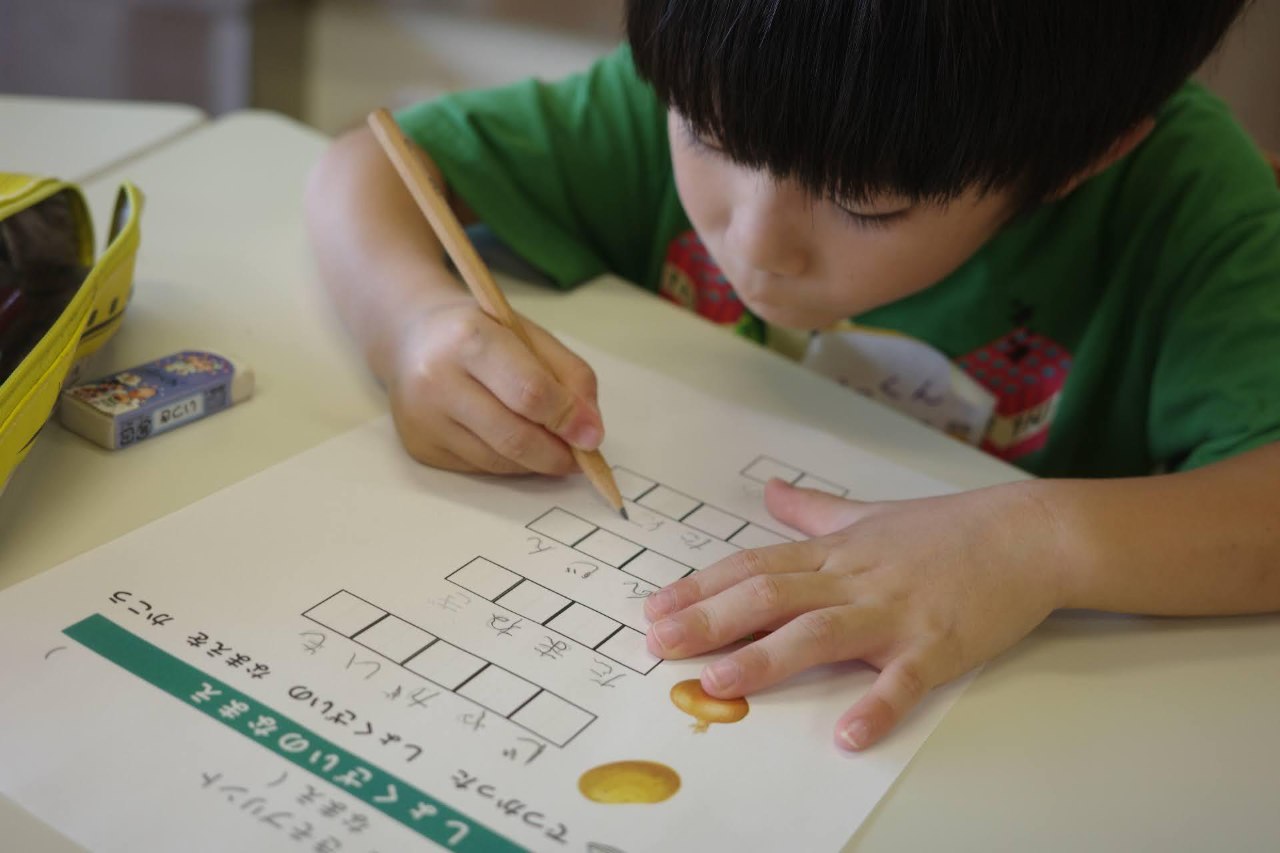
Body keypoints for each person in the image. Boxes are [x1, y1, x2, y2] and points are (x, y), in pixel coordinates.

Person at [306, 0, 1280, 752]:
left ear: (1078, 162)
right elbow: (372, 164)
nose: (753, 243)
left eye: (865, 205)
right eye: (709, 140)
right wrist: (411, 324)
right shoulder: (744, 67)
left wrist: (1041, 544)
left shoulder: (1187, 210)